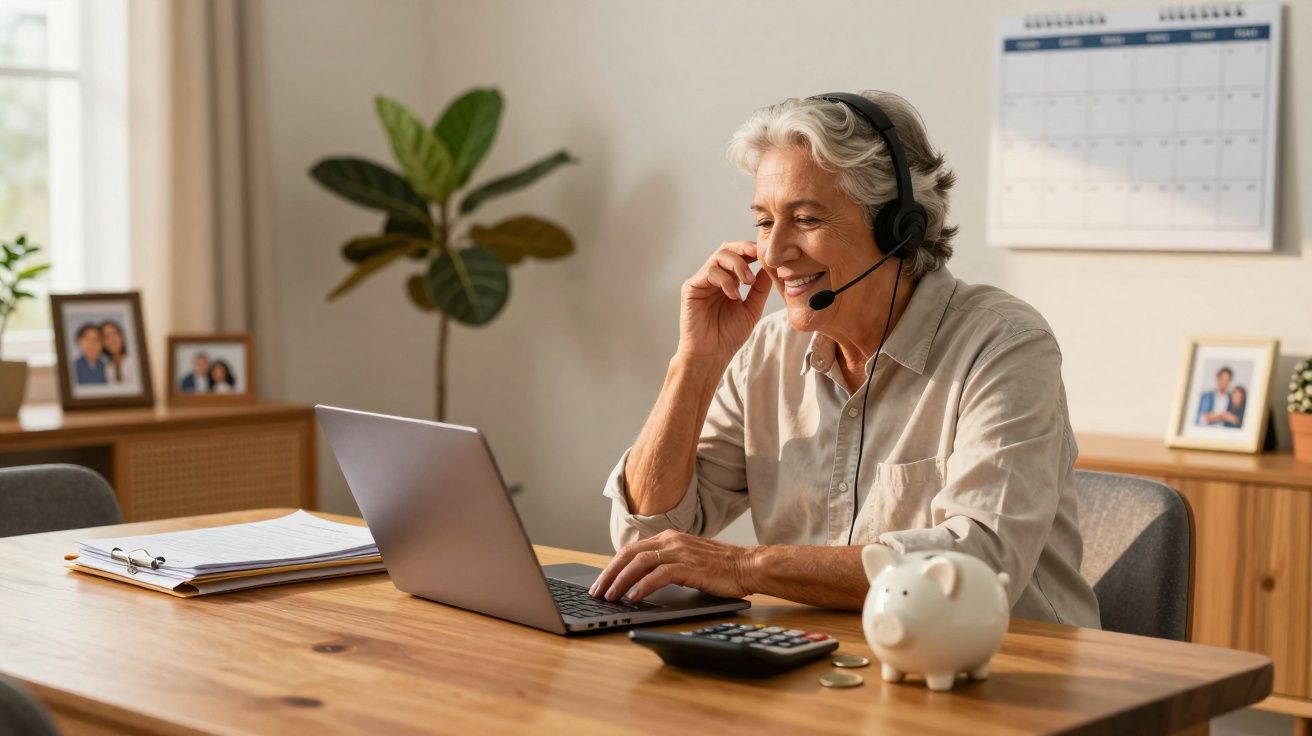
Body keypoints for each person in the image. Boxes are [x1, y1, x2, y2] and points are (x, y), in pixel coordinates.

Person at [591, 91, 1099, 628]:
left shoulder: (1004, 345)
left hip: (1004, 670)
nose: (772, 251)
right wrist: (694, 362)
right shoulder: (767, 351)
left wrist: (747, 566)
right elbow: (644, 537)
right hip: (829, 664)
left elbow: (976, 567)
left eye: (805, 219)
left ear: (900, 227)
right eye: (764, 222)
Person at [99, 320, 135, 385]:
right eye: (106, 336)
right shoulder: (107, 367)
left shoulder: (134, 360)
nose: (111, 339)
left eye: (114, 333)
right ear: (103, 343)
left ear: (122, 336)